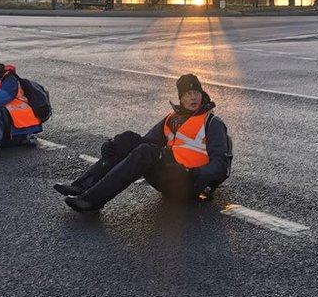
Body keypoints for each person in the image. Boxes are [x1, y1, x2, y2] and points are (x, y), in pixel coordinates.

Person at [55, 74, 231, 212]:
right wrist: (115, 145)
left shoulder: (212, 122)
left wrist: (193, 173)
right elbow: (145, 141)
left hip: (190, 183)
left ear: (202, 94)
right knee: (129, 140)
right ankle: (82, 186)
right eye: (187, 94)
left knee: (146, 152)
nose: (193, 98)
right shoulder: (172, 119)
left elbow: (221, 165)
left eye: (196, 93)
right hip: (170, 177)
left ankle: (91, 201)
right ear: (180, 98)